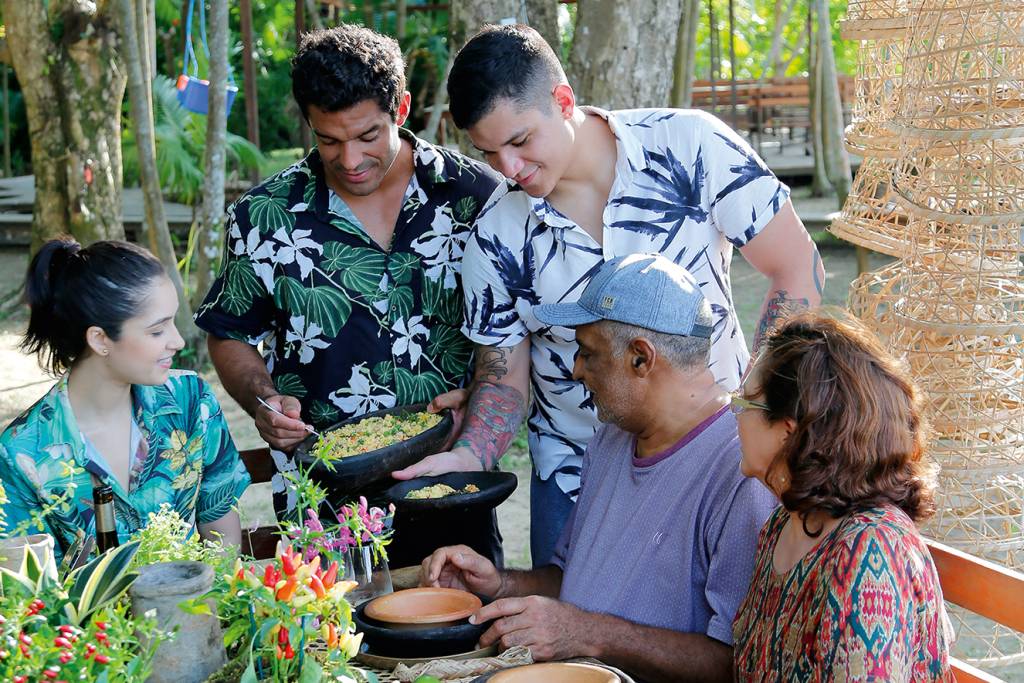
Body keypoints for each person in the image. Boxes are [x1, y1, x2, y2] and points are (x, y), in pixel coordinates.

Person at [393, 24, 825, 568]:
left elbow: (795, 268)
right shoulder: (496, 236)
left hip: (723, 456)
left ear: (563, 100)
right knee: (565, 617)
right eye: (489, 152)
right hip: (575, 476)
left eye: (520, 141)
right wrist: (470, 452)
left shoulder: (691, 145)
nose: (509, 169)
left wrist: (758, 405)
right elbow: (503, 378)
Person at [194, 24, 504, 565]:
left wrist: (481, 393)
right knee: (332, 622)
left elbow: (510, 334)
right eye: (328, 140)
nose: (350, 160)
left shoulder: (475, 197)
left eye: (367, 136)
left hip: (449, 481)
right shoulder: (265, 216)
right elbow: (229, 332)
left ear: (401, 108)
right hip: (325, 501)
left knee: (464, 612)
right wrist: (264, 400)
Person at [420, 254, 775, 682]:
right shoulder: (612, 439)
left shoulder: (742, 469)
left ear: (641, 358)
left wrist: (587, 634)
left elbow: (736, 663)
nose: (576, 370)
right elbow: (568, 579)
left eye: (588, 353)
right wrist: (498, 584)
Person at [731, 313, 955, 681]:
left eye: (744, 404)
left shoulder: (871, 552)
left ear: (787, 431)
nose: (735, 416)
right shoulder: (783, 524)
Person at [0, 238, 250, 561]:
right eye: (157, 331)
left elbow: (222, 535)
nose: (177, 341)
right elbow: (31, 582)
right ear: (100, 339)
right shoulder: (22, 454)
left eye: (173, 322)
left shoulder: (192, 401)